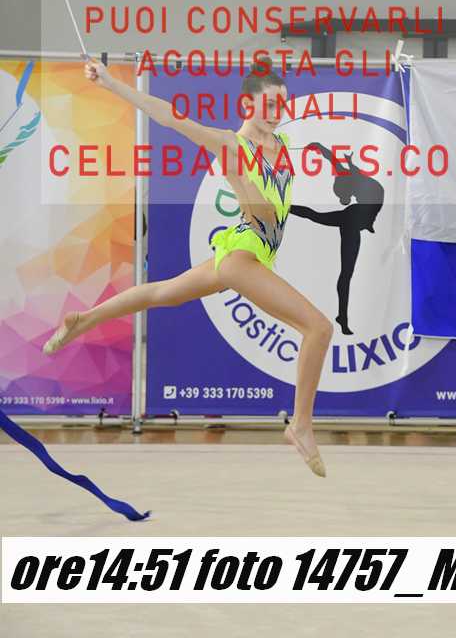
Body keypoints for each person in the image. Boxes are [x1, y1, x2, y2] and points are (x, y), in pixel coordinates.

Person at [42, 57, 332, 477]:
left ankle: (83, 319)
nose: (277, 112)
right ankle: (301, 425)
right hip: (244, 255)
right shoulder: (231, 145)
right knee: (319, 328)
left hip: (244, 250)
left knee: (162, 292)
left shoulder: (283, 144)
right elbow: (169, 117)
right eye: (269, 104)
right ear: (248, 105)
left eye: (282, 104)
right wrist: (110, 83)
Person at [290, 142, 384, 335]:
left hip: (355, 218)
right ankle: (343, 316)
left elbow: (332, 159)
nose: (343, 199)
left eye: (344, 197)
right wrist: (320, 148)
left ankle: (342, 316)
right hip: (353, 220)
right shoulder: (355, 179)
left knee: (315, 216)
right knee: (346, 273)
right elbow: (333, 160)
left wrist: (319, 147)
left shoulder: (353, 177)